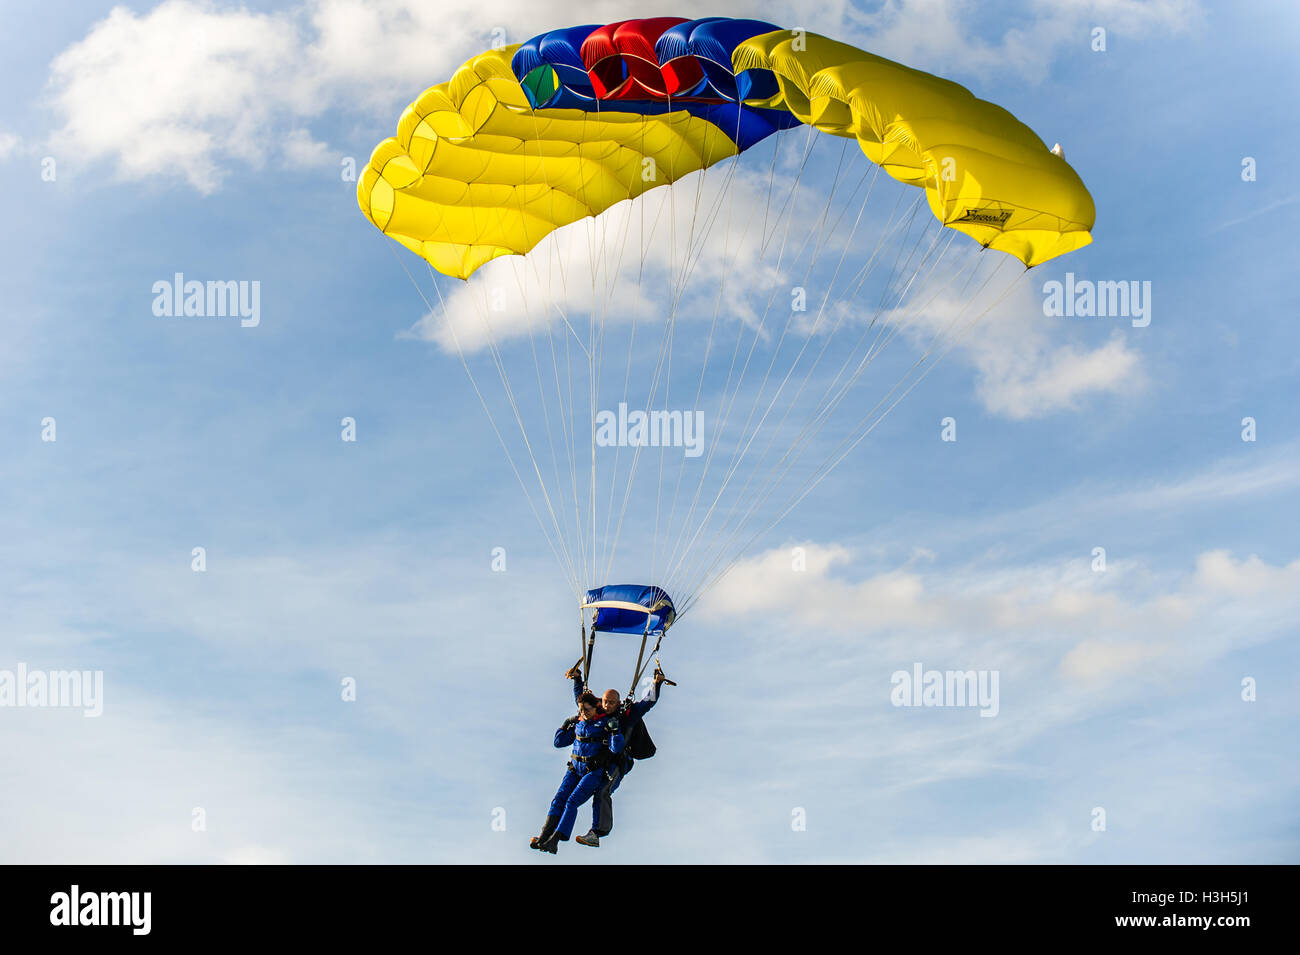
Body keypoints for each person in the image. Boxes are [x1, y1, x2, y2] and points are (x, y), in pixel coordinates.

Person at [572, 665, 670, 848]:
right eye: (605, 701)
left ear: (617, 703)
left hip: (617, 763)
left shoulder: (627, 715)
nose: (607, 705)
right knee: (578, 789)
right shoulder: (598, 711)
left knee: (602, 791)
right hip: (598, 761)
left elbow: (646, 703)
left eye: (611, 703)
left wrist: (656, 684)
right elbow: (581, 701)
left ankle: (597, 833)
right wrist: (577, 679)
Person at [530, 689, 625, 854]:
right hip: (574, 770)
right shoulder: (579, 723)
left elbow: (616, 748)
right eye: (581, 710)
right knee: (558, 800)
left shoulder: (605, 723)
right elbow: (558, 742)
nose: (583, 713)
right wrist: (565, 725)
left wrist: (615, 731)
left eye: (587, 710)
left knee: (572, 801)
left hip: (592, 772)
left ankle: (556, 839)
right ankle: (544, 835)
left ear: (596, 708)